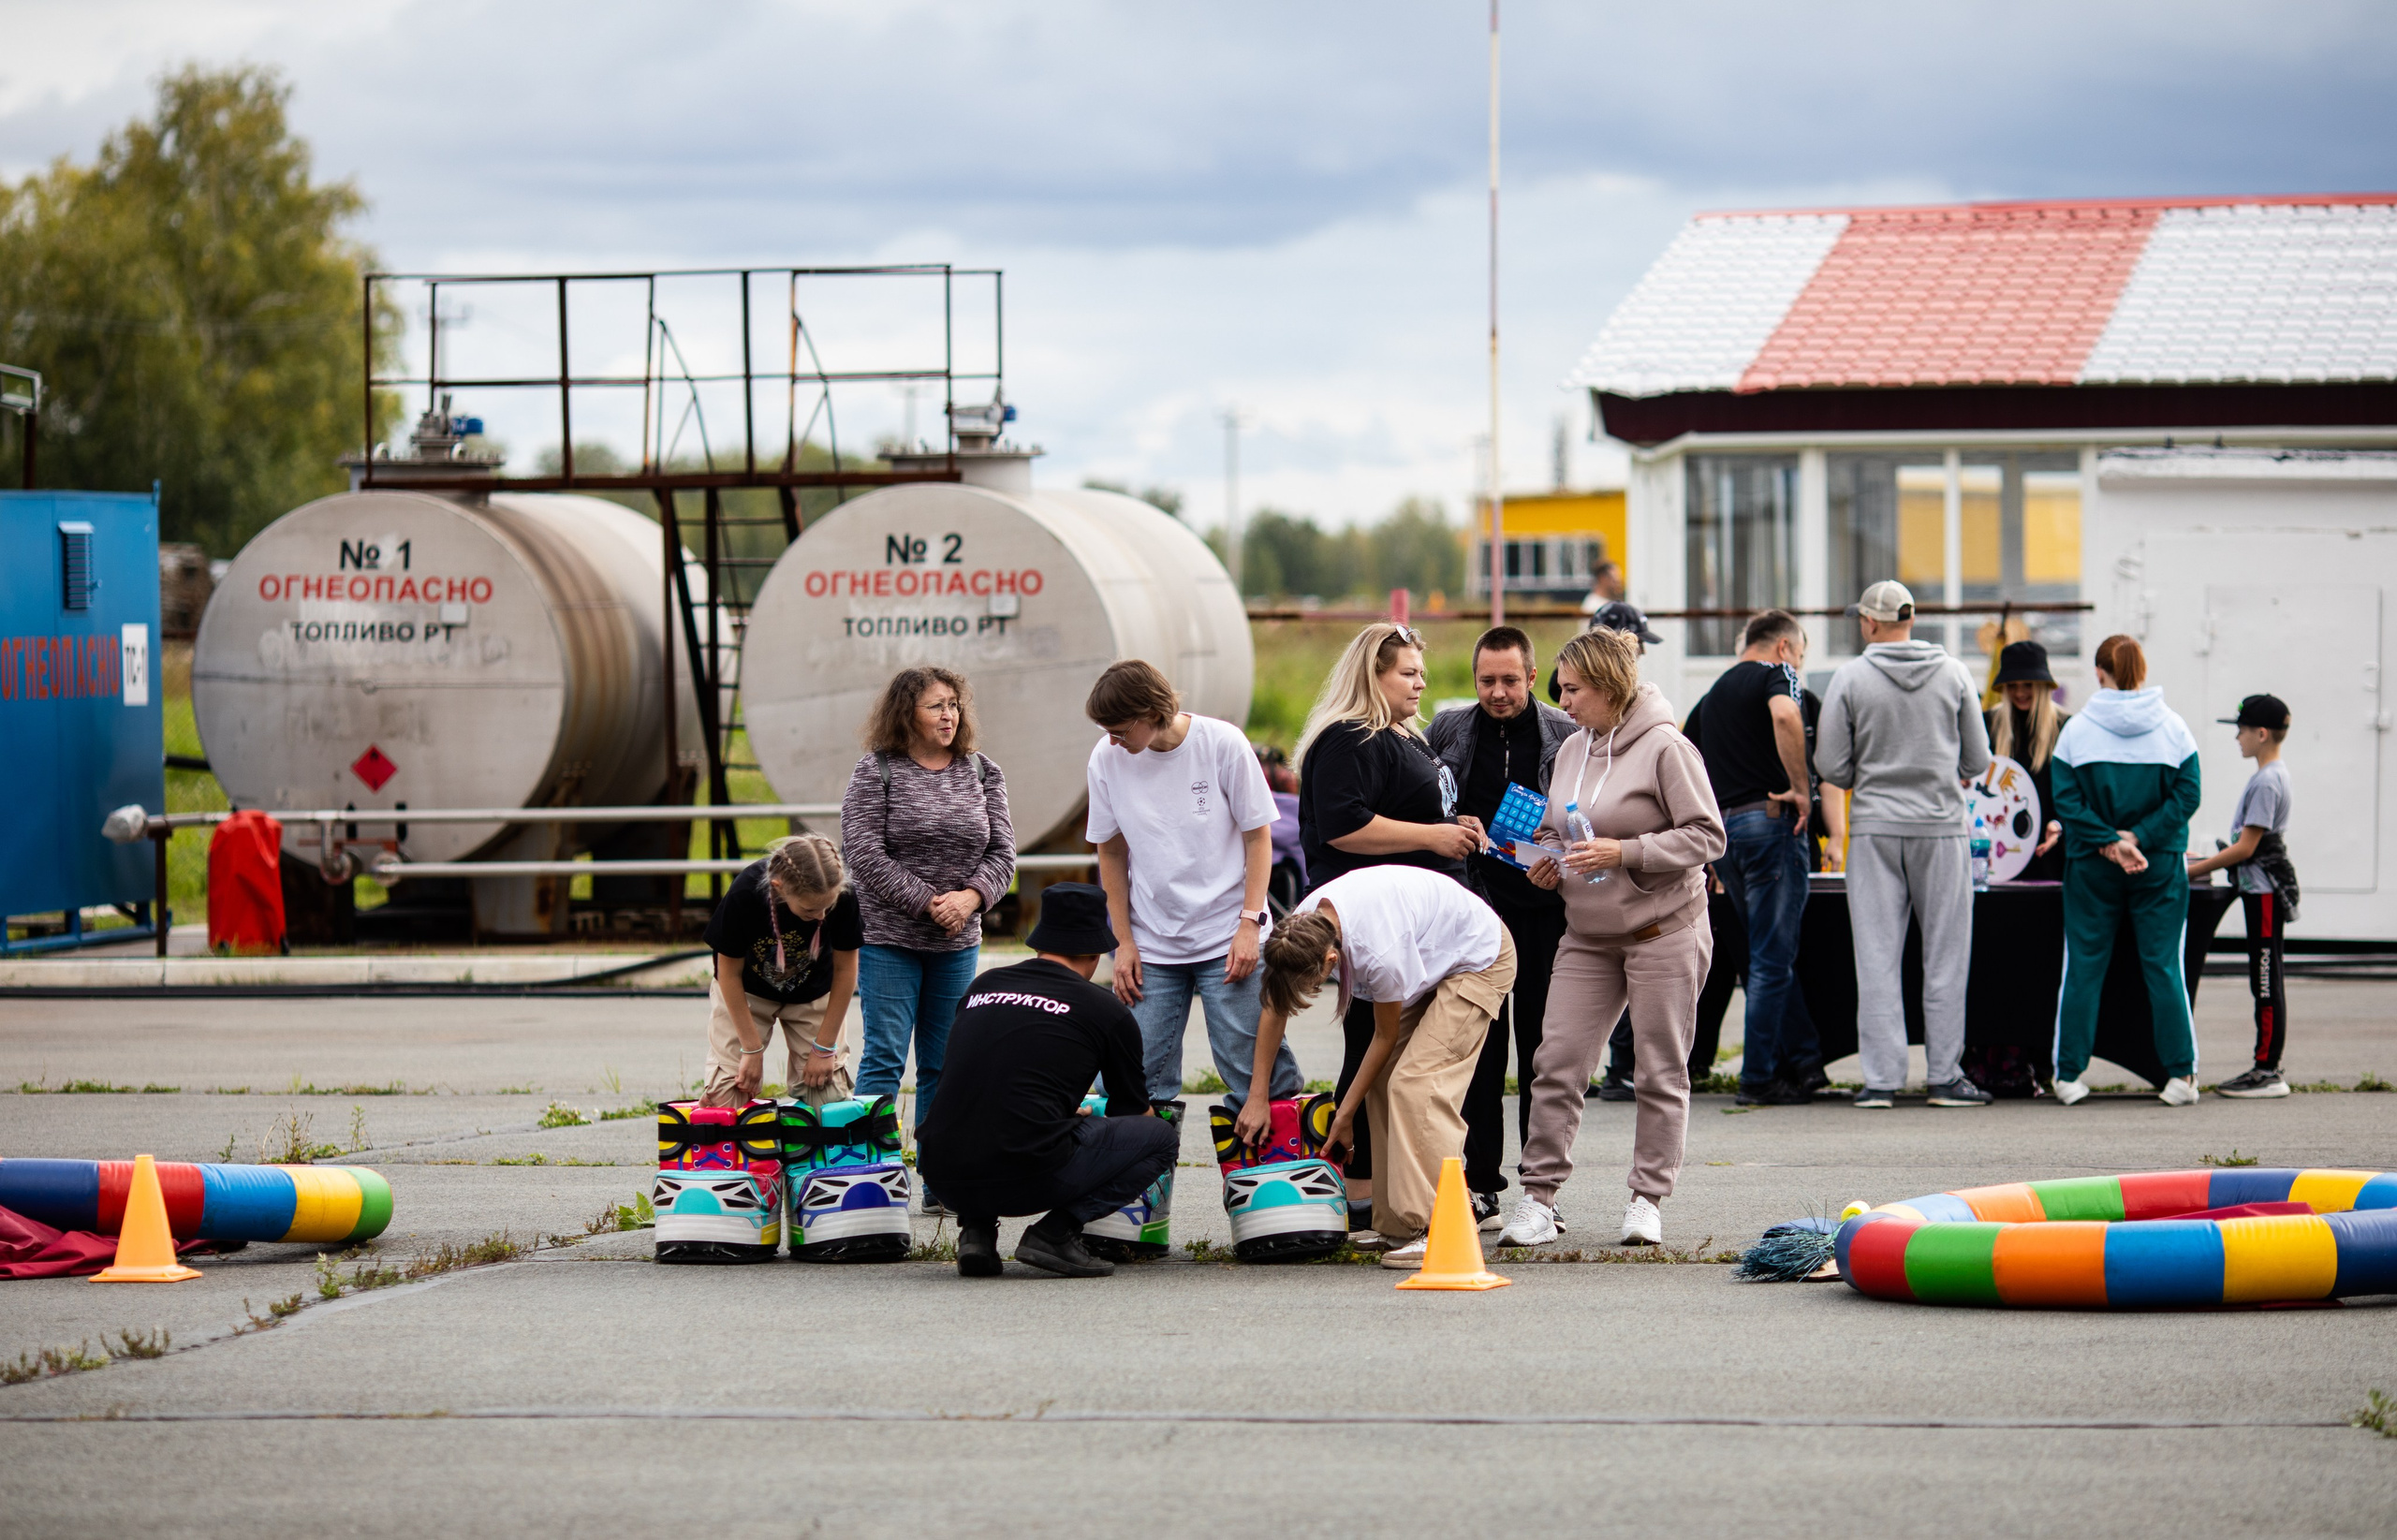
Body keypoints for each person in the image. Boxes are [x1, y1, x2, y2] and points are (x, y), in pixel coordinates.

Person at [1499, 627, 1726, 1249]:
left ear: (1607, 685)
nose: (1562, 702)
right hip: (1588, 933)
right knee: (1556, 1061)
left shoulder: (1667, 747)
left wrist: (1624, 850)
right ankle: (1538, 1198)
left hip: (1663, 930)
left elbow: (1707, 836)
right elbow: (1553, 828)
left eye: (1572, 689)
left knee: (1658, 1068)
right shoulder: (1573, 749)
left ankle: (1647, 1199)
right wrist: (1547, 858)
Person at [1295, 622, 1485, 1228]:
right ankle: (1359, 1192)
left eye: (1421, 671)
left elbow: (1416, 808)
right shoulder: (1348, 737)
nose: (1420, 682)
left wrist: (1455, 823)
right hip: (1374, 928)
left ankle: (1398, 1189)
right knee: (1372, 1054)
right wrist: (1433, 836)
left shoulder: (1404, 734)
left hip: (1423, 927)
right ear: (1372, 675)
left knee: (1403, 1062)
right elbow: (1343, 825)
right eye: (1408, 672)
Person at [1242, 864, 1514, 1269]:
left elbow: (1383, 1037)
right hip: (1433, 954)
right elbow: (1274, 1007)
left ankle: (1439, 1227)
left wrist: (1345, 1114)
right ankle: (1399, 1226)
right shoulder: (1300, 929)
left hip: (1480, 958)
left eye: (1313, 985)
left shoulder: (1378, 953)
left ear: (1331, 959)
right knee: (1384, 1084)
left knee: (1416, 1085)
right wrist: (1257, 1095)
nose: (1311, 992)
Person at [916, 884, 1178, 1279]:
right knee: (1160, 1139)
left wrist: (1060, 1111)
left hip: (941, 1174)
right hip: (1025, 1176)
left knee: (986, 1123)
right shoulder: (1105, 1009)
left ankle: (976, 1233)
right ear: (1094, 954)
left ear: (1039, 943)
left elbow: (985, 1077)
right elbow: (1132, 1110)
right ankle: (1055, 1233)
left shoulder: (982, 987)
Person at [1083, 659, 1301, 1107]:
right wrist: (1122, 942)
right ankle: (1148, 1156)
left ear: (1151, 712)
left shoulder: (1221, 743)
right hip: (1152, 941)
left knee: (1253, 1070)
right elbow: (1111, 852)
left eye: (1120, 730)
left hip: (1228, 933)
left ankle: (1276, 1151)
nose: (1113, 740)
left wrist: (1250, 924)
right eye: (1107, 731)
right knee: (1130, 1075)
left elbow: (1258, 837)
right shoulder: (1106, 758)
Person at [840, 666, 1017, 1210]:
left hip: (957, 943)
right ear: (906, 714)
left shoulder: (981, 770)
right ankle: (867, 1180)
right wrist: (926, 901)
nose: (949, 715)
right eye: (936, 706)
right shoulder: (877, 770)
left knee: (945, 1063)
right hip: (888, 939)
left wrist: (971, 898)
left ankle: (941, 1183)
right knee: (885, 1058)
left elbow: (1004, 853)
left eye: (954, 705)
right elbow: (862, 852)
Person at [1816, 580, 1994, 1109]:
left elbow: (1832, 767)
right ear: (1911, 619)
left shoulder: (1850, 677)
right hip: (1941, 827)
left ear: (1871, 623)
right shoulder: (1954, 673)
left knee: (1876, 955)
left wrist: (1868, 773)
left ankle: (1881, 1081)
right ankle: (1944, 1077)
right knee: (1946, 955)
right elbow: (1978, 760)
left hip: (1875, 827)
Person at [1425, 626, 1575, 1224]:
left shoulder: (1565, 733)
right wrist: (1451, 821)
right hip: (1475, 911)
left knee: (1543, 1052)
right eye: (1486, 681)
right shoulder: (1448, 730)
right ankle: (1480, 1182)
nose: (1498, 692)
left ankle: (1540, 1193)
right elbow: (1424, 803)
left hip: (1546, 912)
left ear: (1533, 677)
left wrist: (1561, 859)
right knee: (1480, 1053)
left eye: (1510, 680)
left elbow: (1587, 813)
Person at [2049, 636, 2204, 1107]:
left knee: (2083, 965)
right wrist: (2139, 837)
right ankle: (2181, 1076)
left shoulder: (2077, 731)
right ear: (2142, 670)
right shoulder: (2174, 728)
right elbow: (2188, 794)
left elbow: (2066, 799)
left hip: (2092, 865)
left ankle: (2068, 1075)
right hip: (2158, 864)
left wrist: (2110, 842)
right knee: (2164, 965)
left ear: (2100, 673)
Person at [1686, 609, 1822, 1106]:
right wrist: (1803, 790)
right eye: (1800, 655)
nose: (1798, 666)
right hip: (1770, 824)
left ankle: (1805, 1063)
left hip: (1726, 835)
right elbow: (1786, 714)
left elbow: (1690, 757)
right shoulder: (1777, 674)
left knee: (1766, 955)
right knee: (1771, 960)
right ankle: (1758, 1078)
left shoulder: (1714, 692)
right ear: (1784, 647)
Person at [698, 834, 862, 1108]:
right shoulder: (745, 893)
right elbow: (727, 974)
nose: (822, 916)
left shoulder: (840, 893)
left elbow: (846, 969)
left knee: (827, 1097)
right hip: (748, 993)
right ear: (779, 887)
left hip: (813, 992)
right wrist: (751, 1049)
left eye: (828, 907)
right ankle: (717, 1101)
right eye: (810, 909)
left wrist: (824, 1047)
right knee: (729, 1095)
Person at [2186, 694, 2297, 1098]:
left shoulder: (2267, 781)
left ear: (2262, 734)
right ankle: (2266, 1067)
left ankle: (2267, 1071)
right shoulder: (2270, 775)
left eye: (2242, 730)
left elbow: (2246, 848)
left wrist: (2191, 871)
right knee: (2265, 978)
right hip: (2258, 891)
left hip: (2263, 895)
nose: (2237, 737)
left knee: (2265, 981)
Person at [1985, 640, 2069, 881]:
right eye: (2012, 685)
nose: (2020, 693)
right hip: (1999, 853)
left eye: (2028, 685)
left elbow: (2077, 791)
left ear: (2042, 686)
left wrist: (2060, 825)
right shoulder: (1988, 724)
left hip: (2051, 852)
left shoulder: (2066, 727)